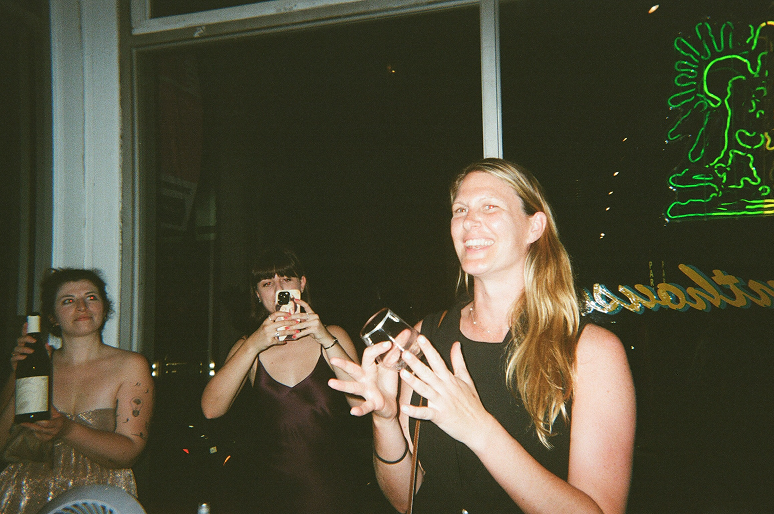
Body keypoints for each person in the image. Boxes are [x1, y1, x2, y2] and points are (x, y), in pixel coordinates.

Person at [329, 158, 636, 513]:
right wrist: (385, 421)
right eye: (460, 210)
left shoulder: (591, 352)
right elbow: (406, 500)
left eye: (490, 206)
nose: (469, 221)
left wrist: (480, 431)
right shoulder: (425, 338)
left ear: (534, 227)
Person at [201, 246, 365, 514]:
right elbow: (211, 409)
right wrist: (254, 343)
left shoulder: (332, 336)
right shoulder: (248, 347)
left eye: (286, 279)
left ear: (302, 284)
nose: (279, 289)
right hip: (268, 495)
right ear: (257, 294)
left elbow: (360, 403)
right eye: (267, 283)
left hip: (331, 493)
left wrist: (325, 338)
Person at [0, 268, 154, 514]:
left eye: (91, 297)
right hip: (24, 496)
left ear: (104, 308)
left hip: (96, 501)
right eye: (68, 301)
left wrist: (67, 429)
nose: (82, 307)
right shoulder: (36, 364)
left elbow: (130, 453)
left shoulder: (131, 365)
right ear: (52, 317)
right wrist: (21, 375)